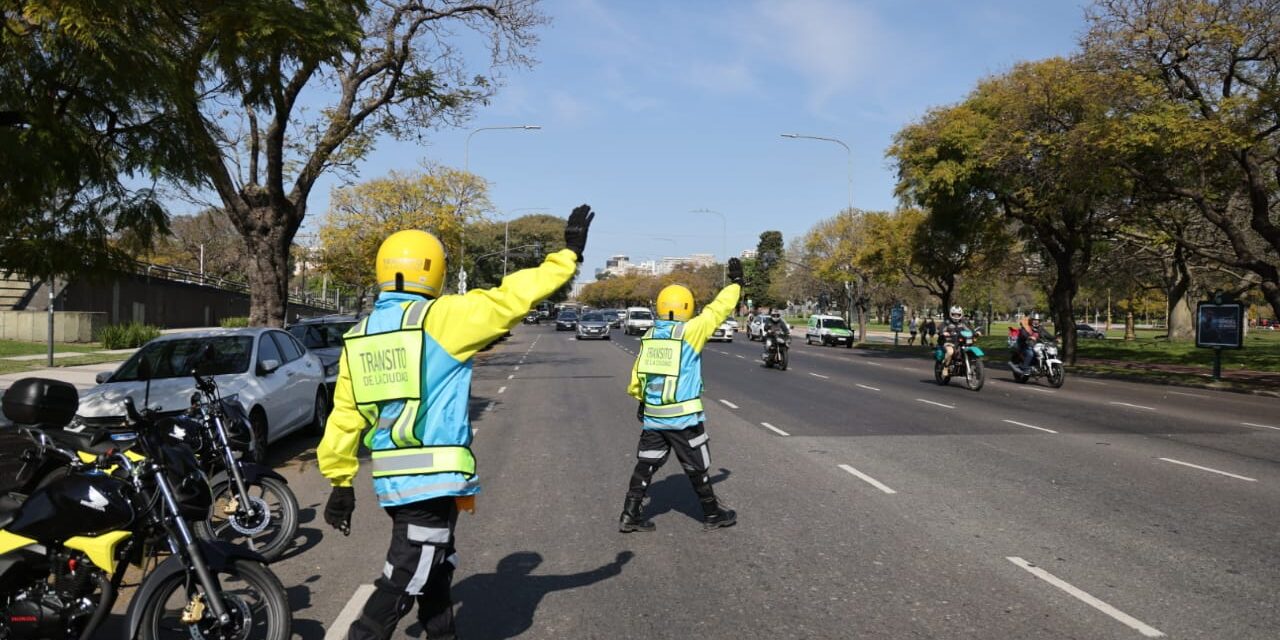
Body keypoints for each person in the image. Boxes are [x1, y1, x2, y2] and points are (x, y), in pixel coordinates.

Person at [318, 205, 596, 640]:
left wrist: (339, 481)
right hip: (432, 481)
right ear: (435, 272)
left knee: (437, 568)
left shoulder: (362, 334)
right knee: (405, 576)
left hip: (394, 485)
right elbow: (513, 296)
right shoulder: (443, 319)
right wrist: (568, 256)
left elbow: (345, 415)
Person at [619, 258, 744, 533]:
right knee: (696, 467)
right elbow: (718, 310)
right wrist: (735, 285)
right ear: (687, 306)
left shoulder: (651, 334)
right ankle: (712, 514)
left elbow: (639, 373)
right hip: (683, 417)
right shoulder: (691, 331)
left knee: (646, 463)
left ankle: (630, 514)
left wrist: (641, 401)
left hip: (653, 415)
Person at [938, 306, 973, 378]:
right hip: (949, 342)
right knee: (950, 352)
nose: (956, 316)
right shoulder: (947, 322)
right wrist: (943, 332)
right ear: (951, 314)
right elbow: (940, 328)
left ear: (961, 314)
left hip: (961, 343)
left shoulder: (963, 322)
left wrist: (976, 332)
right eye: (954, 314)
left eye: (958, 314)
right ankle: (946, 367)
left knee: (969, 350)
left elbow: (970, 329)